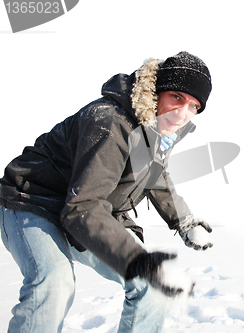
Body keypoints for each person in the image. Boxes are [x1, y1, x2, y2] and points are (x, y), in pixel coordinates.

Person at [0, 51, 214, 333]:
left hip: (90, 208)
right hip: (33, 201)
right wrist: (139, 260)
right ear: (157, 90)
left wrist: (184, 220)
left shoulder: (158, 124)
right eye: (176, 97)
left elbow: (153, 174)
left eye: (193, 106)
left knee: (152, 288)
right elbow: (83, 207)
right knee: (54, 281)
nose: (182, 114)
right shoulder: (109, 123)